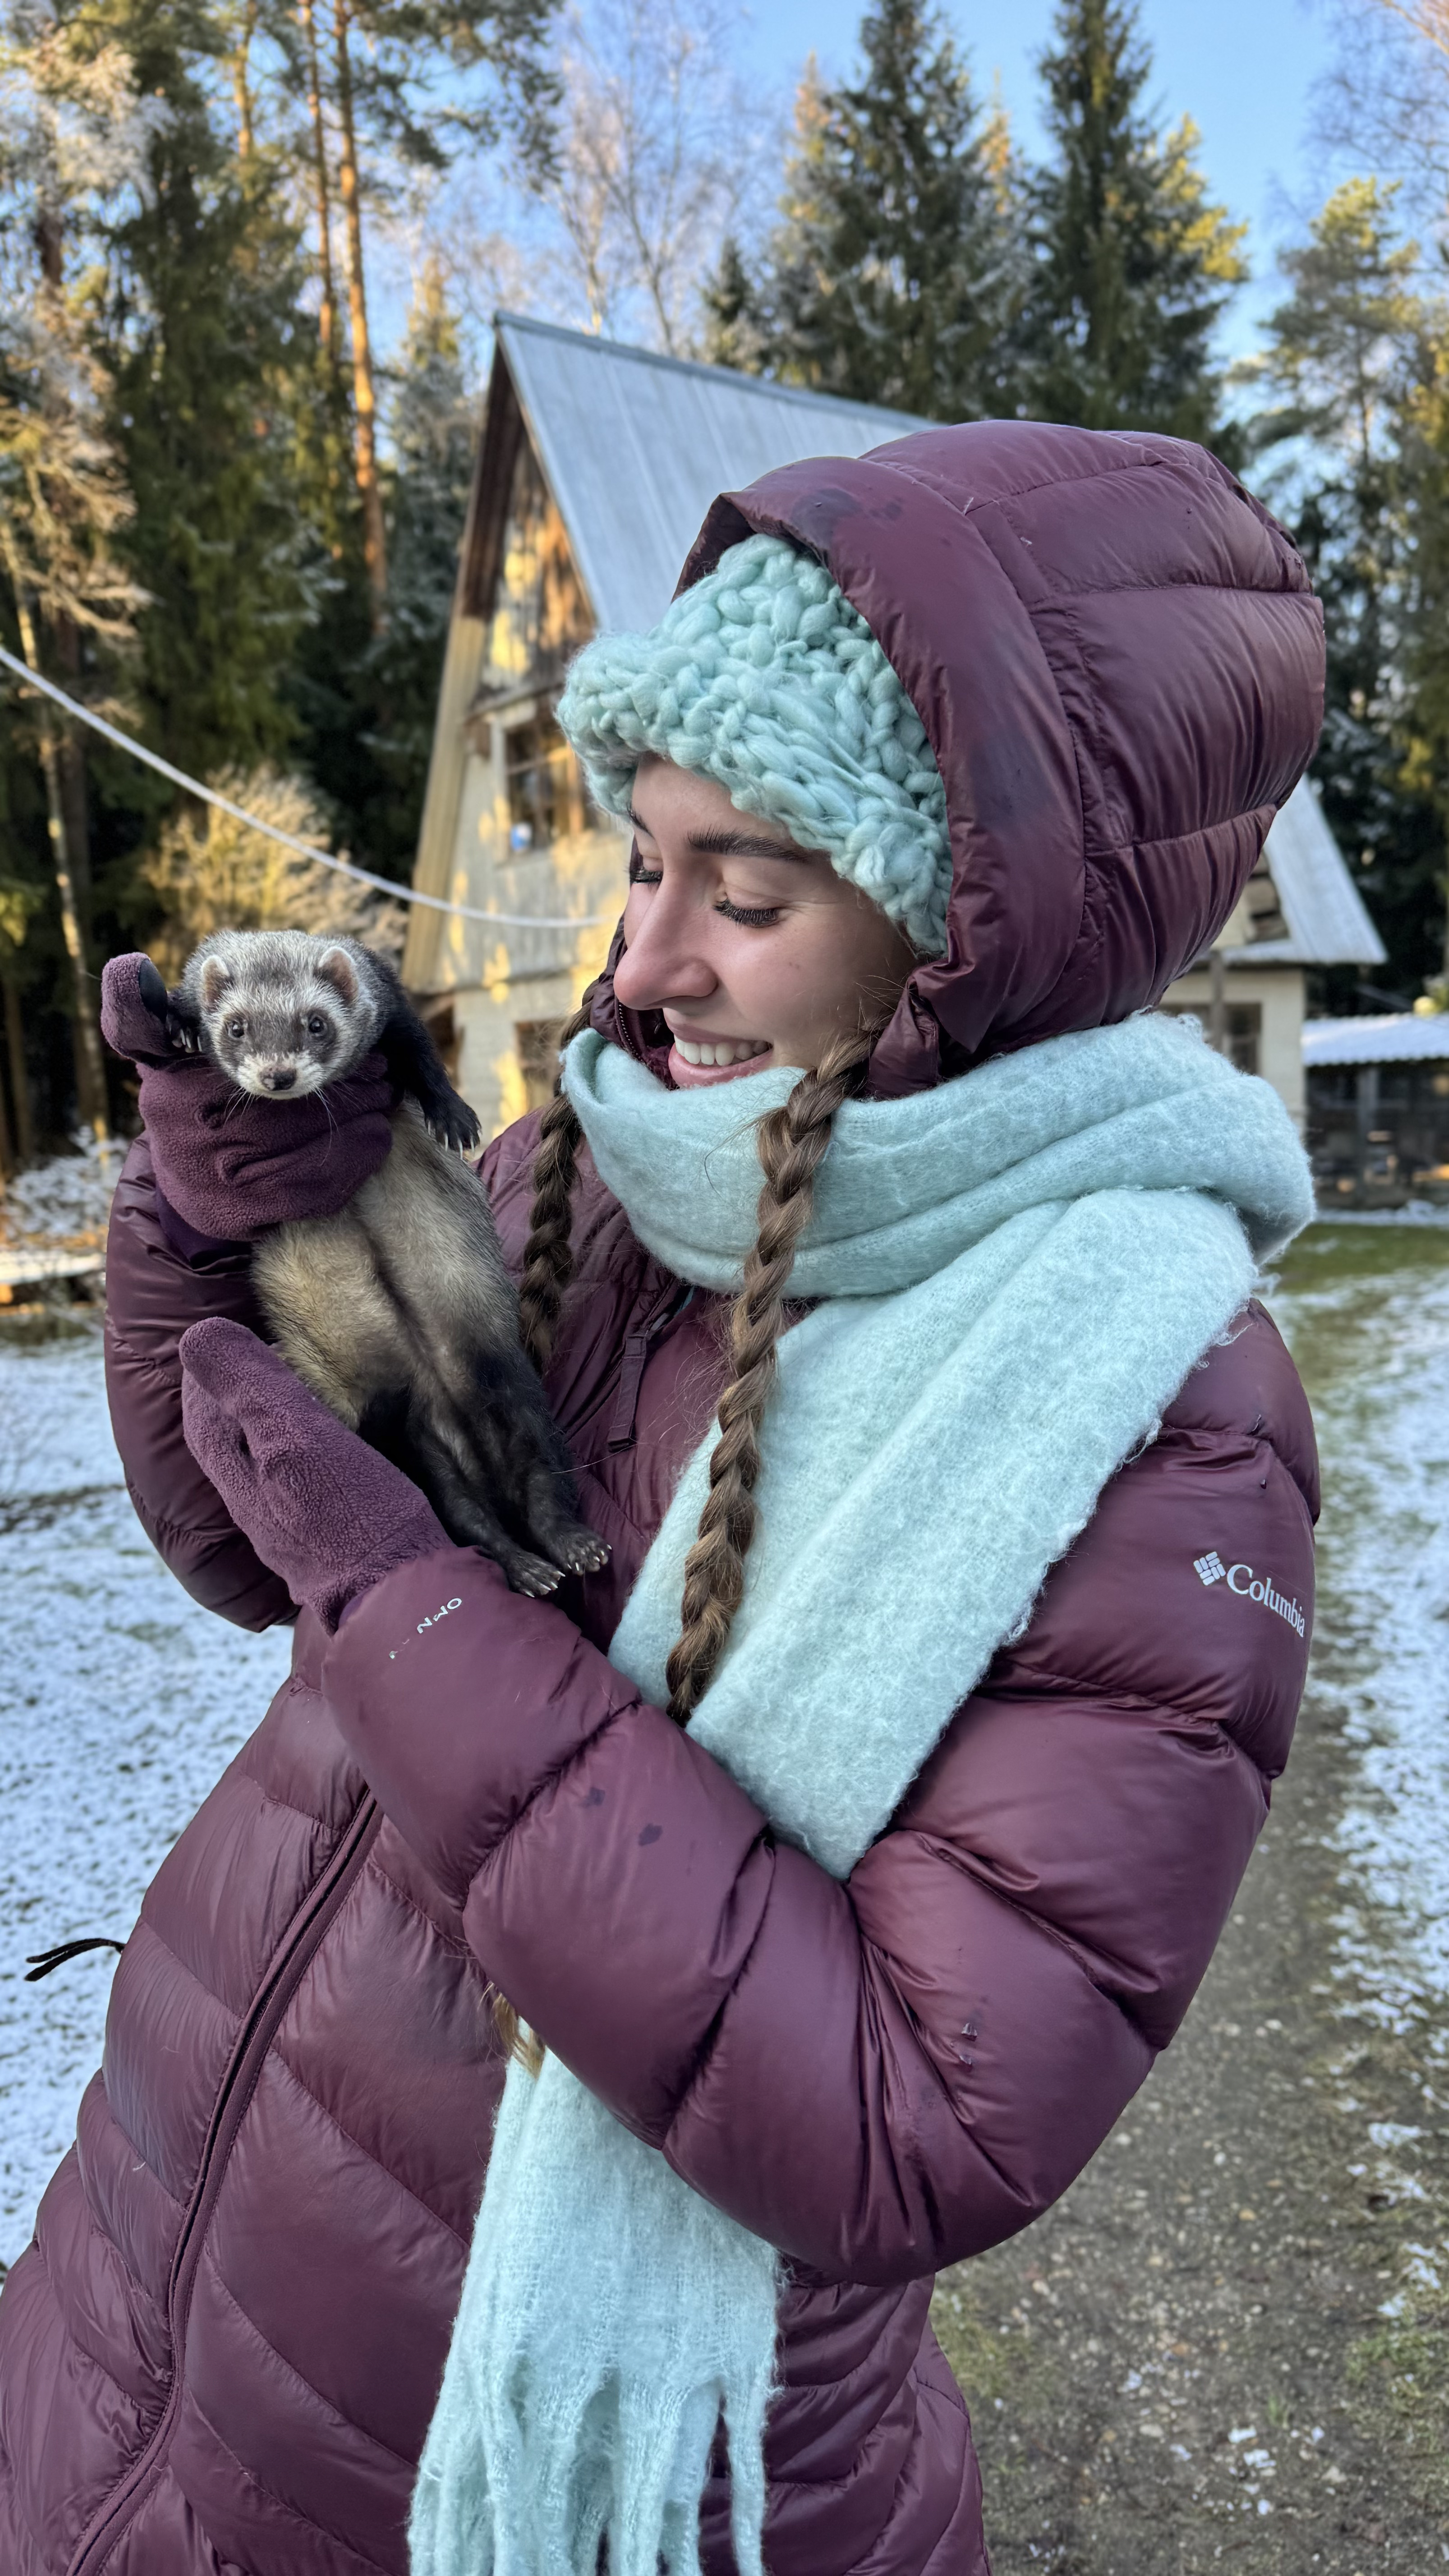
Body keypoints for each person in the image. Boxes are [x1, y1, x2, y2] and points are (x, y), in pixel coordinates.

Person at [0, 419, 1324, 2576]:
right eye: (644, 858)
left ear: (967, 925)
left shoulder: (1158, 1408)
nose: (641, 965)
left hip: (520, 2474)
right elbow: (247, 1546)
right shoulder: (582, 1184)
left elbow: (917, 2114)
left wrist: (424, 1615)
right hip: (149, 2287)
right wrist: (209, 1222)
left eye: (754, 892)